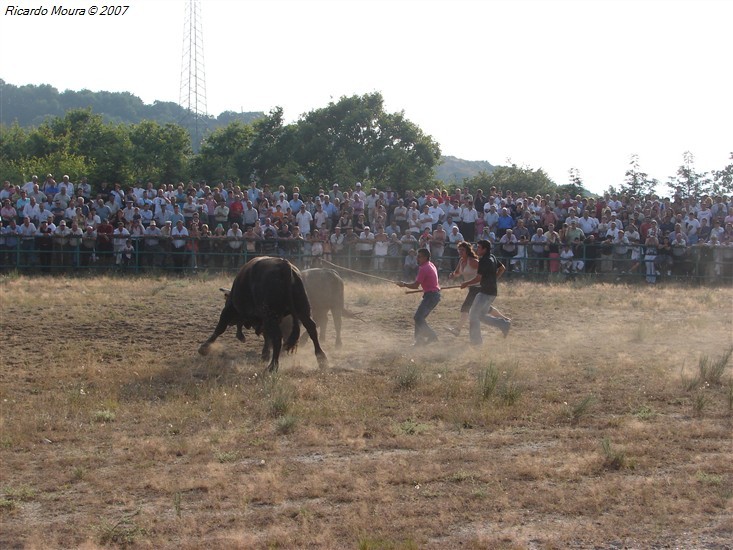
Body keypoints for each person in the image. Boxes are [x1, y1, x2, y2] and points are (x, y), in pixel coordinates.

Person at [462, 239, 511, 344]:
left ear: (485, 249)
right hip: (491, 292)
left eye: (479, 247)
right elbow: (502, 268)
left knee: (473, 315)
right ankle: (503, 324)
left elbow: (478, 278)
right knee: (480, 316)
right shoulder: (492, 257)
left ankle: (476, 342)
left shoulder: (484, 260)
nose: (477, 249)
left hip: (485, 292)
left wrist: (466, 283)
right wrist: (494, 279)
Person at [396, 248, 441, 345]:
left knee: (418, 318)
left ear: (425, 257)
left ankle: (432, 336)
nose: (417, 258)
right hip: (433, 295)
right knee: (419, 317)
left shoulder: (424, 268)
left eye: (419, 257)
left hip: (431, 296)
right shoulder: (430, 264)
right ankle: (419, 341)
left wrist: (403, 284)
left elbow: (415, 286)